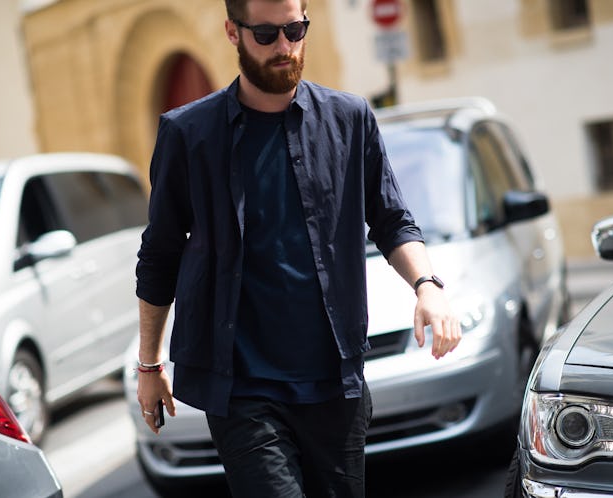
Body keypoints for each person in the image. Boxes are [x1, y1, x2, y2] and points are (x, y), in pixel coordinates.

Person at [135, 0, 462, 496]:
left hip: (335, 383)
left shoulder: (349, 119)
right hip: (243, 390)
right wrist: (150, 363)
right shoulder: (188, 135)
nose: (284, 47)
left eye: (295, 30)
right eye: (266, 35)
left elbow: (392, 219)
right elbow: (159, 256)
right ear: (233, 32)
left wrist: (427, 286)